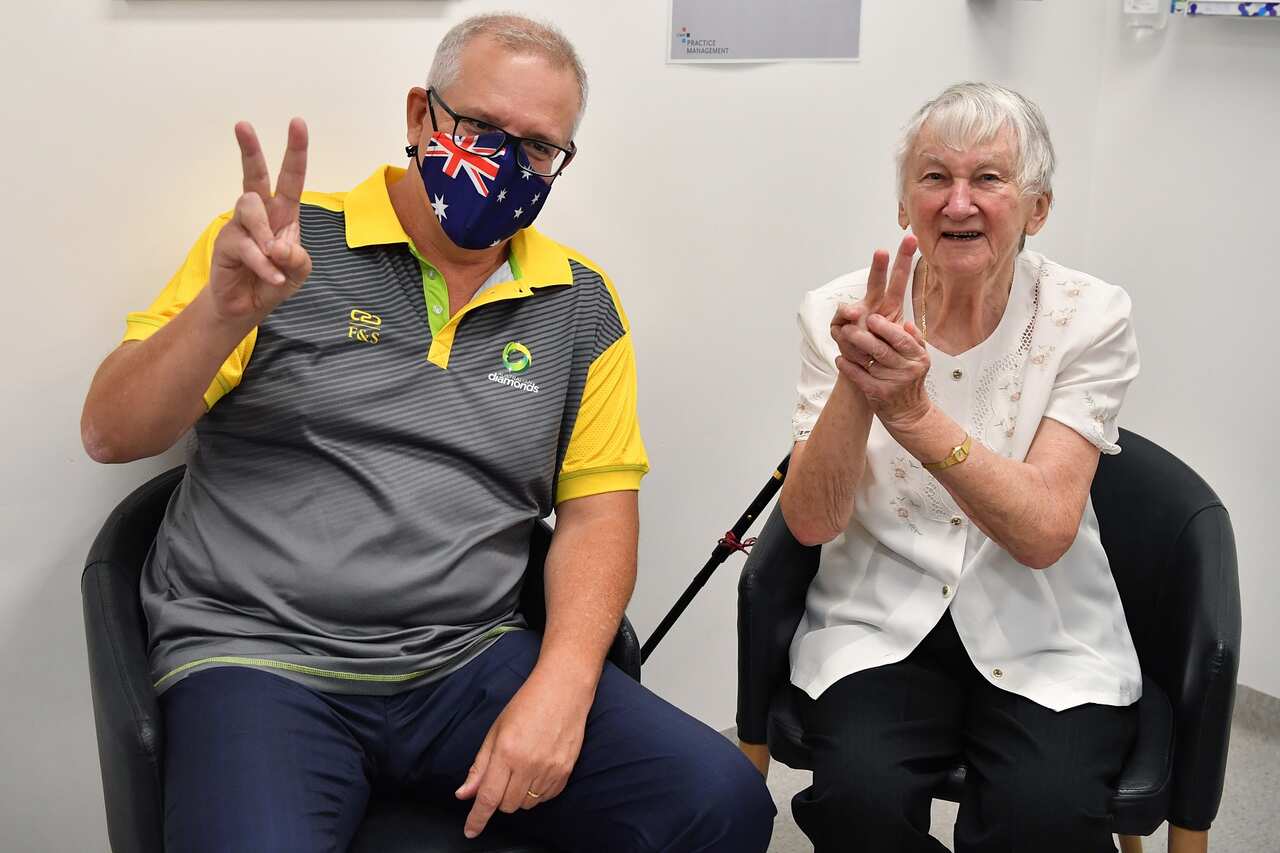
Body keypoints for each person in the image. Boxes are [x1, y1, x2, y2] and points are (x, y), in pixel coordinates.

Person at [80, 14, 773, 853]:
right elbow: (111, 432)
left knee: (718, 800)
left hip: (465, 662)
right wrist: (220, 315)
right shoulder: (285, 246)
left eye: (538, 148)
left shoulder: (581, 305)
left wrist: (562, 684)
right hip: (260, 657)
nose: (505, 163)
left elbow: (597, 513)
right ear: (419, 116)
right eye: (482, 129)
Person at [762, 82, 1142, 852]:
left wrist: (910, 412)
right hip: (881, 619)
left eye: (990, 179)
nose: (958, 203)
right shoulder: (834, 309)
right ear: (904, 205)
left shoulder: (1089, 316)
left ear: (1037, 208)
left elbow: (1041, 534)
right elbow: (810, 520)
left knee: (1048, 817)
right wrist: (854, 382)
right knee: (855, 805)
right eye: (934, 178)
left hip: (1044, 625)